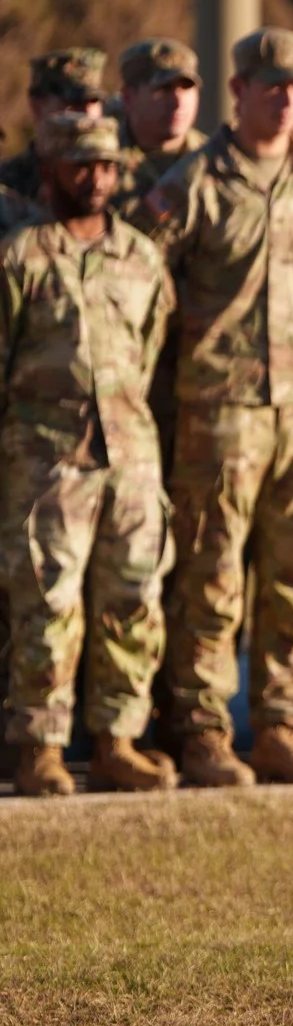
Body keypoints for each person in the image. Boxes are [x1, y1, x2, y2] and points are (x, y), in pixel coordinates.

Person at [145, 28, 293, 787]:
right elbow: (152, 288)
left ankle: (280, 723)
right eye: (270, 84)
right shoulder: (193, 182)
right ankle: (203, 728)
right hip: (220, 409)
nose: (284, 97)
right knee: (210, 574)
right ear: (237, 91)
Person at [0, 116, 178, 795]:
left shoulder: (140, 257)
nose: (96, 178)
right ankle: (41, 746)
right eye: (80, 165)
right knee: (48, 601)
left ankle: (117, 739)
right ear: (48, 169)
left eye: (105, 166)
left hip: (130, 457)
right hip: (46, 460)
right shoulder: (22, 256)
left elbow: (150, 349)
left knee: (133, 596)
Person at [116, 40, 208, 221]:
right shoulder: (101, 164)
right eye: (164, 88)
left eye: (186, 87)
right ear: (128, 97)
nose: (177, 102)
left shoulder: (215, 160)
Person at [0, 50, 109, 199]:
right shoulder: (7, 183)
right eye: (73, 103)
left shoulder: (115, 181)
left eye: (93, 102)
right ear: (37, 106)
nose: (86, 114)